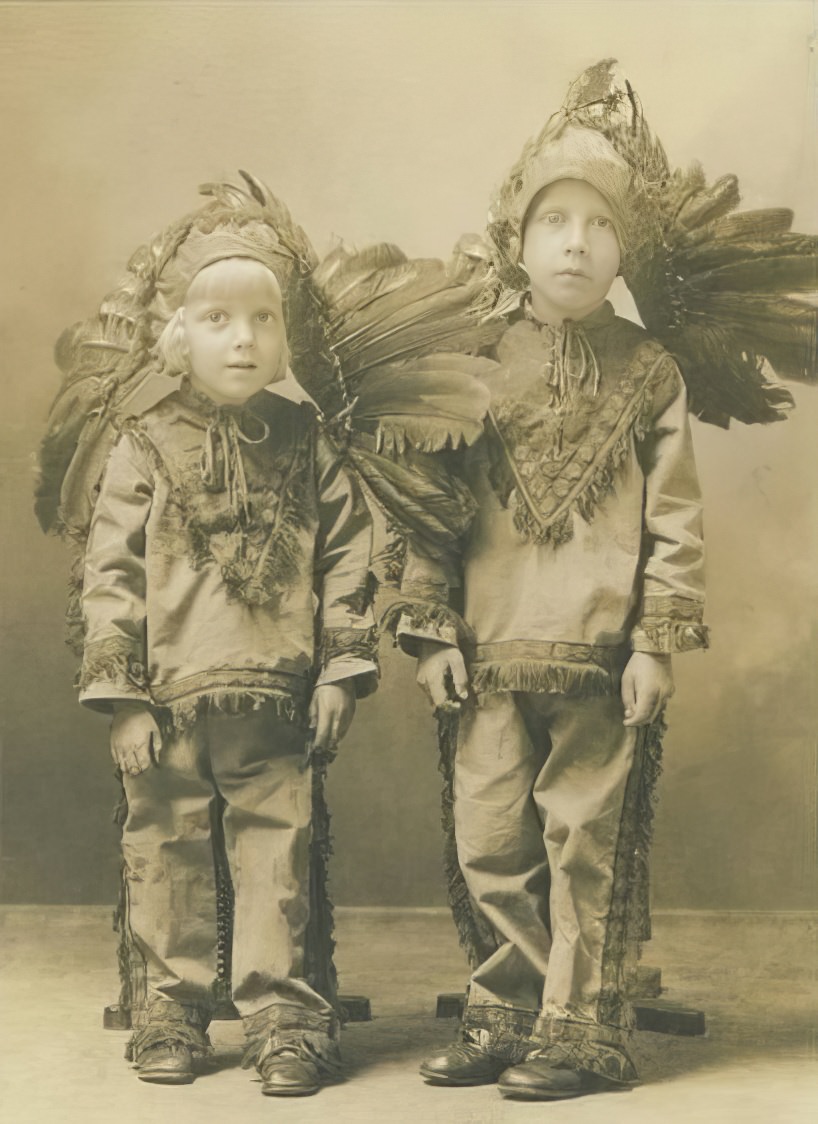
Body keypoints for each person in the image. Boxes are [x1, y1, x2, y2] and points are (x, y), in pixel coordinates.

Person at [392, 116, 708, 1101]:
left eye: (596, 226)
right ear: (514, 241)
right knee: (489, 835)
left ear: (623, 250)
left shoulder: (651, 370)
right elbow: (431, 507)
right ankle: (508, 1005)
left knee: (583, 840)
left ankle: (581, 1027)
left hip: (599, 658)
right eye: (552, 222)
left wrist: (654, 643)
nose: (574, 242)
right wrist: (429, 625)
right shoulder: (473, 360)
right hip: (487, 651)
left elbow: (675, 519)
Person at [78, 218, 378, 1096]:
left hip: (275, 696)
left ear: (288, 335)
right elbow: (112, 571)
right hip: (167, 698)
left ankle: (282, 1016)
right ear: (180, 334)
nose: (243, 338)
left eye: (263, 319)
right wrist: (123, 697)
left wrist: (338, 671)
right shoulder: (142, 441)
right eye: (217, 319)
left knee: (275, 852)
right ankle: (170, 1008)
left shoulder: (307, 438)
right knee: (163, 846)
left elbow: (347, 557)